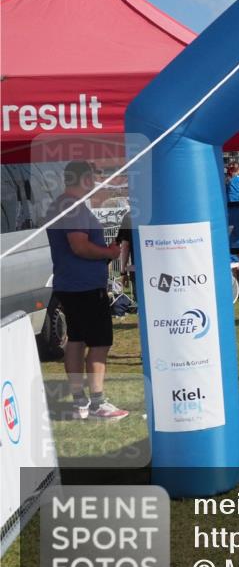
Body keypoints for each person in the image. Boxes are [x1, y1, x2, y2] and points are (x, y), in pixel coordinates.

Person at [45, 161, 128, 420]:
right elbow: (79, 246)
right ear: (85, 179)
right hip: (84, 286)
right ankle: (97, 403)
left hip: (70, 284)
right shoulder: (73, 206)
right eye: (94, 177)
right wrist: (110, 253)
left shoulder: (61, 204)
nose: (97, 183)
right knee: (99, 342)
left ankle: (80, 402)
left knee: (77, 341)